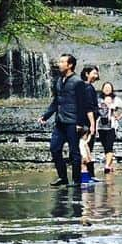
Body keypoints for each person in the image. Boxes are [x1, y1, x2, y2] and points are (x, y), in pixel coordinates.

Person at [38, 53, 88, 187]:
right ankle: (63, 177)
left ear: (70, 65)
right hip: (60, 121)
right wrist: (45, 116)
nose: (59, 64)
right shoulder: (59, 80)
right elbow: (56, 101)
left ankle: (76, 181)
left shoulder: (78, 82)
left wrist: (80, 124)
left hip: (72, 122)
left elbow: (82, 104)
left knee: (74, 152)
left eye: (62, 62)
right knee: (54, 148)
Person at [97, 81, 122, 173]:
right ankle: (109, 165)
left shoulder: (116, 99)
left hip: (112, 126)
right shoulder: (99, 100)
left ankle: (106, 166)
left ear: (112, 89)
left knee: (109, 145)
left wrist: (119, 117)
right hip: (101, 126)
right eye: (105, 87)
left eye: (109, 87)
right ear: (102, 89)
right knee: (105, 146)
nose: (107, 89)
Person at [79, 65, 100, 184]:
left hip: (87, 122)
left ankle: (89, 175)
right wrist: (92, 124)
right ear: (87, 74)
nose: (96, 76)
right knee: (86, 149)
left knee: (87, 149)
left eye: (97, 74)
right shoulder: (87, 88)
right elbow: (89, 108)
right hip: (86, 123)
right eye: (94, 73)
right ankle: (87, 176)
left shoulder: (86, 87)